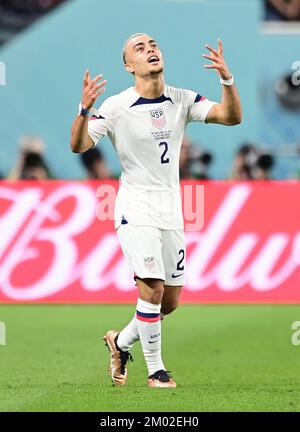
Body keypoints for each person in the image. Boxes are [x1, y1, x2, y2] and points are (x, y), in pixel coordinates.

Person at [70, 33, 242, 388]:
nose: (150, 49)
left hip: (172, 210)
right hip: (135, 208)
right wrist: (84, 110)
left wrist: (227, 79)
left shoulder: (181, 99)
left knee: (170, 300)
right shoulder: (117, 106)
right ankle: (156, 371)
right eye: (140, 47)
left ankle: (119, 342)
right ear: (128, 66)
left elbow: (231, 117)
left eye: (153, 44)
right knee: (151, 288)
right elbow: (80, 145)